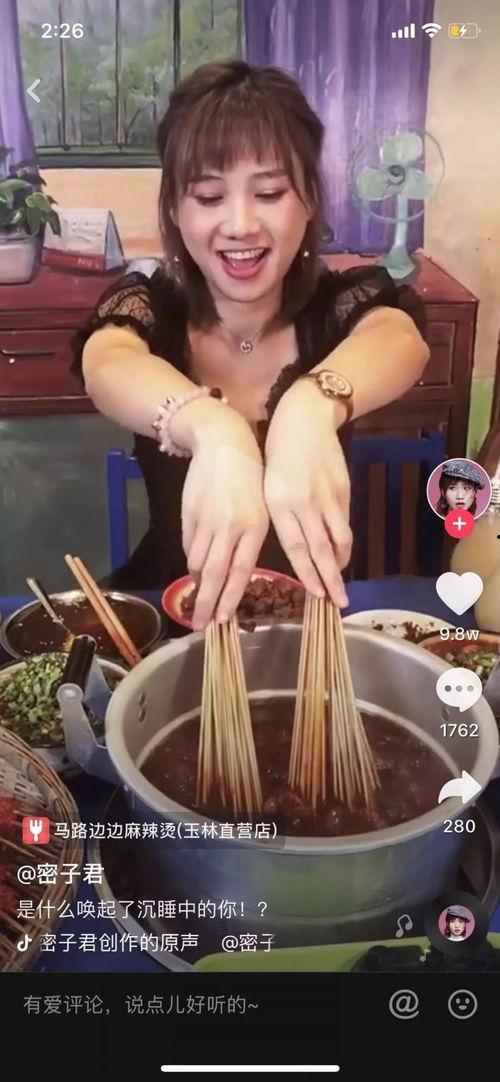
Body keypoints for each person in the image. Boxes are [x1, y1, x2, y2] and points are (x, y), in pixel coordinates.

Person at [72, 60, 429, 632]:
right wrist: (215, 429)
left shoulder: (338, 305)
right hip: (178, 615)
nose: (240, 224)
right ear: (175, 210)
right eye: (209, 196)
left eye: (269, 192)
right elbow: (107, 361)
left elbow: (400, 338)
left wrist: (311, 405)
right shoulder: (151, 308)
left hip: (311, 617)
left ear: (309, 200)